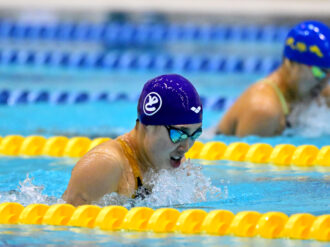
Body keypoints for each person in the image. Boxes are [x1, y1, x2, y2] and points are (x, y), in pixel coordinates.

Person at [62, 74, 203, 206]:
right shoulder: (105, 166)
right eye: (179, 134)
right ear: (148, 125)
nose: (186, 146)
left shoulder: (178, 168)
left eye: (194, 135)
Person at [216, 20, 330, 137]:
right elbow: (240, 154)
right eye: (319, 72)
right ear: (290, 63)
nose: (325, 81)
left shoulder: (315, 91)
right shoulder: (263, 110)